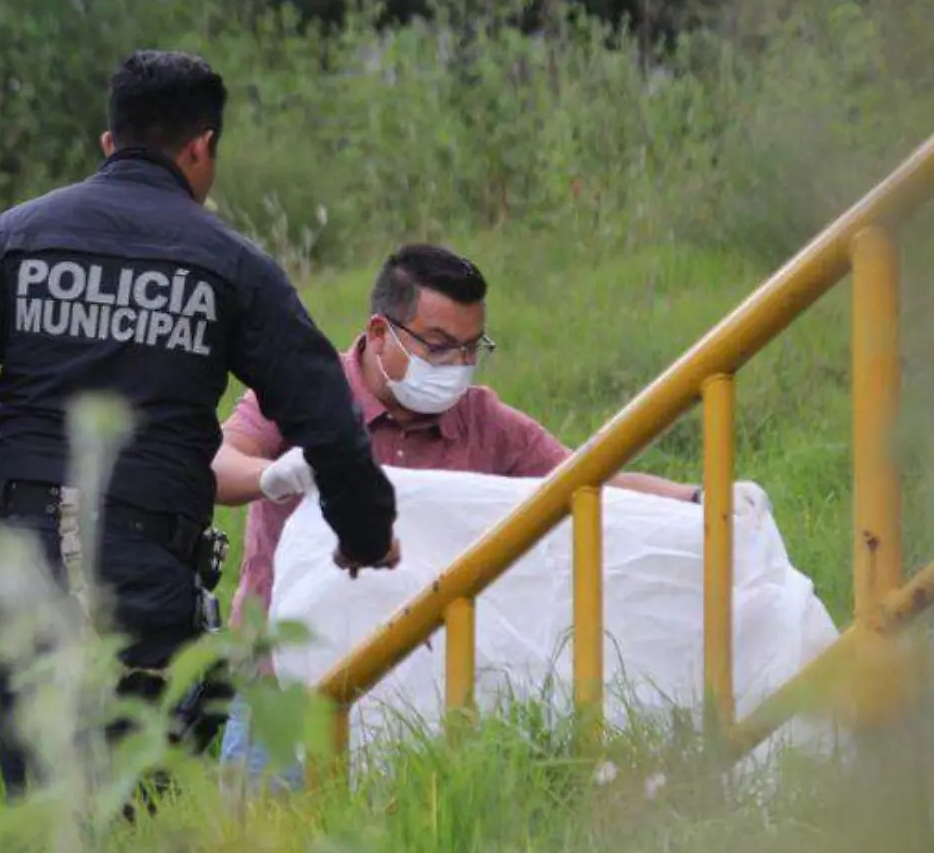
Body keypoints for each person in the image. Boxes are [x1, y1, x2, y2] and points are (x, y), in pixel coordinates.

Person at [0, 49, 403, 805]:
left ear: (108, 143)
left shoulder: (17, 239)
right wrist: (364, 530)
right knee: (131, 804)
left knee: (49, 802)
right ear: (202, 146)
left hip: (15, 554)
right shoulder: (230, 264)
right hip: (142, 561)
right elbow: (327, 415)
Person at [211, 243, 700, 789]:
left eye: (472, 349)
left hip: (419, 709)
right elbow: (219, 464)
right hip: (282, 694)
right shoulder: (302, 391)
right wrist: (271, 476)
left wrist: (697, 502)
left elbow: (588, 479)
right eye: (439, 347)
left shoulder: (484, 422)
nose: (457, 367)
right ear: (379, 333)